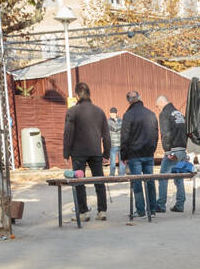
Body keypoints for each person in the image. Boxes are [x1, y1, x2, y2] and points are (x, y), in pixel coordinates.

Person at [62, 82, 110, 221]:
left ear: (77, 96)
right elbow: (106, 135)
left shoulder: (72, 111)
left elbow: (68, 134)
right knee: (98, 180)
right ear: (89, 94)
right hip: (95, 151)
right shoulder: (99, 111)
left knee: (79, 181)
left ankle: (83, 212)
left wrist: (66, 153)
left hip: (78, 152)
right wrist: (106, 154)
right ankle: (102, 211)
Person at [120, 90, 160, 218]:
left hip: (134, 154)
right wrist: (152, 149)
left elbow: (124, 137)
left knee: (137, 182)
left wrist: (123, 156)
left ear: (129, 101)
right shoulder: (151, 114)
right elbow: (155, 134)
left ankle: (141, 211)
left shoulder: (128, 115)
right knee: (150, 182)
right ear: (140, 97)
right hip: (148, 153)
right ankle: (152, 209)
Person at [156, 95, 188, 213]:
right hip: (182, 150)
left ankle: (160, 205)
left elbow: (166, 134)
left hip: (173, 150)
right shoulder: (179, 113)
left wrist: (168, 151)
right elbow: (186, 131)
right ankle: (180, 204)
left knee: (163, 177)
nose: (158, 108)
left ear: (161, 103)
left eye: (158, 106)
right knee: (178, 178)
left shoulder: (164, 114)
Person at [106, 107, 124, 176]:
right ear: (109, 113)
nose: (112, 114)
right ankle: (112, 176)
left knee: (121, 162)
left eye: (114, 113)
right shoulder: (108, 121)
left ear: (116, 113)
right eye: (111, 113)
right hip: (112, 144)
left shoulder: (121, 121)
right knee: (113, 163)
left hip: (120, 144)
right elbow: (115, 128)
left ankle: (121, 176)